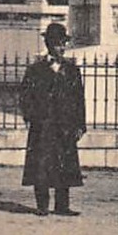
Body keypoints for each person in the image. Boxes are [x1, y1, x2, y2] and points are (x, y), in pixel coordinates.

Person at [20, 24, 86, 216]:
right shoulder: (36, 69)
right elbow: (25, 96)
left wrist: (80, 125)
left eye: (63, 44)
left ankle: (62, 205)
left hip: (65, 126)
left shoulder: (72, 70)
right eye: (58, 44)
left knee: (64, 164)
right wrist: (32, 116)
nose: (61, 48)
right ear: (49, 45)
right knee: (41, 165)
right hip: (43, 126)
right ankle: (42, 205)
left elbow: (78, 99)